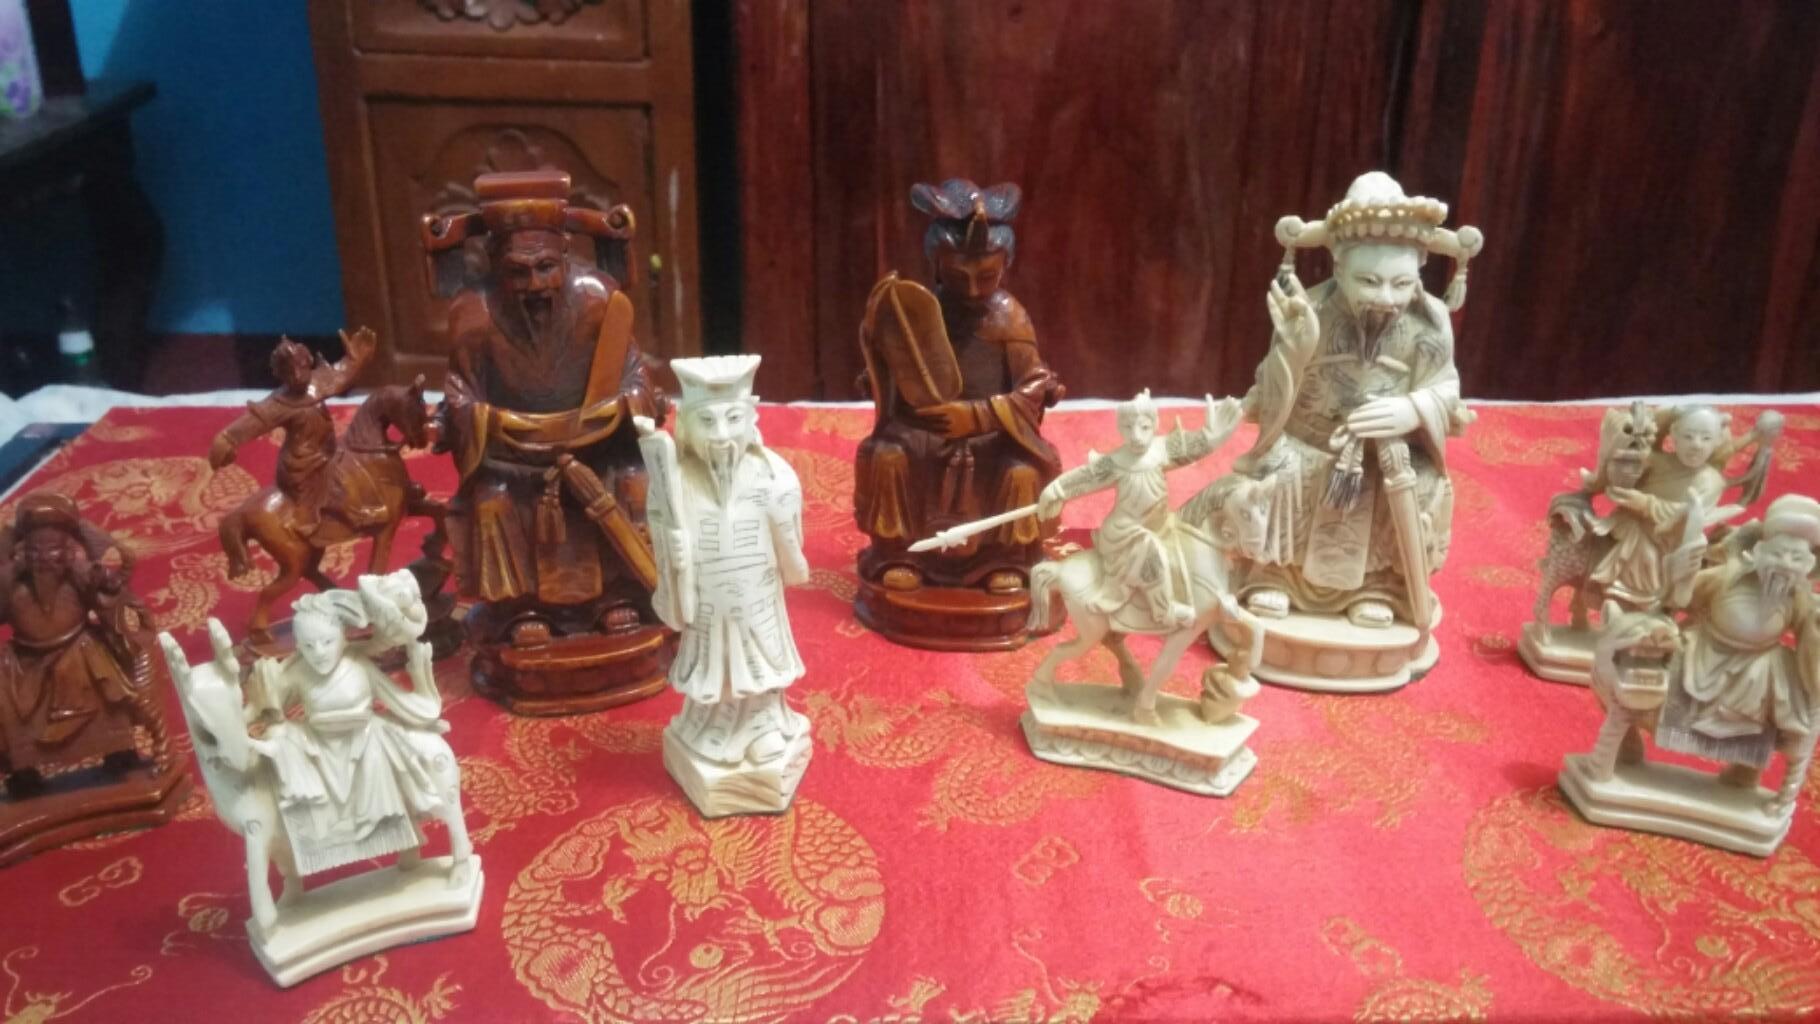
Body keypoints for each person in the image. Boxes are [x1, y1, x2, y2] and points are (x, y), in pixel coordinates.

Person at [436, 170, 663, 648]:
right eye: (518, 272)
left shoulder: (599, 299)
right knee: (494, 500)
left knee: (630, 480)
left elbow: (637, 377)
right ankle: (522, 608)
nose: (534, 284)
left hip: (595, 446)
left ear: (565, 255)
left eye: (545, 267)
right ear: (495, 264)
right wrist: (494, 422)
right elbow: (458, 395)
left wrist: (620, 408)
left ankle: (617, 596)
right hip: (512, 457)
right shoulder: (473, 312)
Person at [1236, 172, 1471, 629]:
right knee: (1277, 469)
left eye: (1401, 284)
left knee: (1424, 483)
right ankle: (1277, 576)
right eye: (1369, 281)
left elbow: (1446, 390)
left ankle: (1377, 587)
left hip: (1383, 454)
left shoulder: (1429, 322)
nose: (1386, 299)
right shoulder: (1310, 309)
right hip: (1309, 442)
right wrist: (1292, 352)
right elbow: (1267, 391)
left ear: (1420, 271)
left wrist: (1412, 409)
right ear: (1339, 266)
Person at [855, 179, 1064, 597]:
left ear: (1005, 266)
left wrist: (976, 416)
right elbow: (896, 366)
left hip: (992, 437)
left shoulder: (1009, 317)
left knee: (1020, 473)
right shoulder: (921, 312)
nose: (971, 290)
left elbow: (1035, 384)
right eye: (957, 275)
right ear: (937, 265)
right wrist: (881, 372)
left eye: (986, 276)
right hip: (923, 432)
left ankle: (1003, 559)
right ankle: (899, 553)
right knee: (887, 456)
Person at [638, 355, 811, 777]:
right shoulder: (675, 482)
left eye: (732, 419)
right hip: (707, 602)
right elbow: (662, 539)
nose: (721, 435)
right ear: (687, 424)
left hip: (757, 598)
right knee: (712, 667)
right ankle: (709, 728)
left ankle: (763, 725)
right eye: (707, 421)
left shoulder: (774, 476)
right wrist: (675, 555)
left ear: (751, 418)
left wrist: (780, 520)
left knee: (761, 664)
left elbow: (796, 569)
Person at [245, 574, 469, 875]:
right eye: (308, 646)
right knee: (281, 738)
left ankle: (410, 837)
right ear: (298, 646)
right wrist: (254, 710)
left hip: (367, 738)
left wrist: (419, 676)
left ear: (343, 637)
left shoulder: (358, 665)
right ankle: (310, 841)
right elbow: (267, 710)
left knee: (389, 764)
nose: (319, 653)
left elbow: (400, 700)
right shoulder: (298, 673)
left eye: (327, 642)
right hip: (317, 745)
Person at [1036, 391, 1245, 630]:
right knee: (1150, 548)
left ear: (1154, 424)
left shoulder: (1163, 449)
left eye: (1144, 427)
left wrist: (1212, 437)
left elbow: (1193, 446)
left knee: (1190, 537)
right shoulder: (1116, 461)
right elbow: (1087, 477)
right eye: (1128, 428)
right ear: (1120, 428)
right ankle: (1164, 610)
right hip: (1125, 532)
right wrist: (1056, 490)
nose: (1136, 436)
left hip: (1161, 523)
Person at [0, 494, 159, 796]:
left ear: (68, 552)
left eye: (53, 549)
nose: (43, 558)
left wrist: (107, 582)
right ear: (21, 553)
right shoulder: (11, 586)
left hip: (80, 650)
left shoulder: (79, 576)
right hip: (23, 664)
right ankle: (22, 771)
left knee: (107, 681)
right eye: (34, 550)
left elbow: (108, 593)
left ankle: (118, 751)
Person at [209, 328, 377, 541]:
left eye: (301, 367)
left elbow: (341, 374)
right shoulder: (278, 404)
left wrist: (356, 358)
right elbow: (252, 423)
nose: (297, 375)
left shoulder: (319, 382)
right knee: (330, 488)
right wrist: (226, 440)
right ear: (281, 374)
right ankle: (316, 524)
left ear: (308, 363)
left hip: (328, 450)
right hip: (302, 463)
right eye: (290, 372)